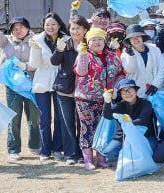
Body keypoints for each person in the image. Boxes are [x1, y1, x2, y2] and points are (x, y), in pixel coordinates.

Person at [0, 0, 42, 163]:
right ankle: (13, 149)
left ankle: (36, 146)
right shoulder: (6, 42)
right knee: (14, 118)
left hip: (32, 85)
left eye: (21, 27)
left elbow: (40, 61)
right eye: (15, 28)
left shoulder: (37, 41)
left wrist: (27, 67)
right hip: (13, 87)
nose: (18, 30)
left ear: (28, 28)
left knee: (34, 118)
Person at [74, 26, 125, 171]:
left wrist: (115, 89)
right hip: (86, 98)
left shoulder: (112, 55)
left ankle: (101, 157)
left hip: (107, 99)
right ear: (88, 43)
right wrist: (82, 54)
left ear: (105, 41)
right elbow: (81, 72)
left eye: (100, 39)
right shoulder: (85, 54)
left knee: (104, 128)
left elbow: (120, 73)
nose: (97, 42)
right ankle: (88, 159)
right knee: (88, 128)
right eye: (93, 40)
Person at [27, 13, 67, 163]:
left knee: (59, 118)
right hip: (42, 81)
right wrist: (35, 49)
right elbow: (34, 64)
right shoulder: (36, 40)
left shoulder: (66, 38)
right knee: (44, 118)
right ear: (43, 25)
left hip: (61, 81)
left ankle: (57, 149)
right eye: (47, 24)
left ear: (59, 25)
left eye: (53, 24)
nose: (50, 27)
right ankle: (45, 150)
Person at [50, 16, 87, 164]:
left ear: (85, 30)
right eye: (72, 28)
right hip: (65, 89)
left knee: (82, 123)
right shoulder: (64, 43)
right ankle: (71, 154)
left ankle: (82, 152)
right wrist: (59, 50)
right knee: (67, 123)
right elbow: (54, 62)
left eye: (78, 28)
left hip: (84, 90)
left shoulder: (89, 44)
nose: (75, 31)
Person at [99, 78, 157, 167]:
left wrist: (129, 122)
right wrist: (107, 102)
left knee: (151, 151)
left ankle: (131, 155)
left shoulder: (146, 103)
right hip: (123, 137)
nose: (127, 93)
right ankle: (127, 155)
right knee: (110, 155)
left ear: (136, 91)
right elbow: (108, 116)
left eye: (129, 90)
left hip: (144, 136)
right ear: (121, 95)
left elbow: (143, 120)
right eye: (123, 92)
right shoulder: (120, 105)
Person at [121, 23, 164, 99]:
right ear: (129, 40)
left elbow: (162, 68)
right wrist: (131, 56)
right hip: (136, 91)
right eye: (132, 38)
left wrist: (155, 85)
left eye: (138, 36)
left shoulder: (155, 49)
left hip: (156, 89)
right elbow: (130, 70)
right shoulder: (126, 53)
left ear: (142, 37)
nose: (135, 39)